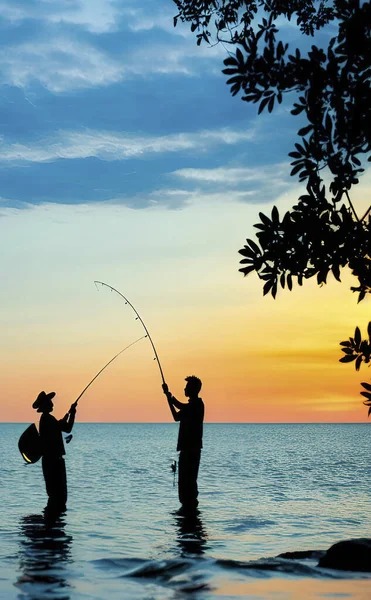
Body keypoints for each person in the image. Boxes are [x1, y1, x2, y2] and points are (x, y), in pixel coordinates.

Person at [162, 376, 204, 514]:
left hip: (192, 450)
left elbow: (181, 406)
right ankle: (187, 512)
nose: (185, 389)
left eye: (187, 387)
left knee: (189, 483)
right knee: (184, 483)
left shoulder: (197, 405)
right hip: (186, 450)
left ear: (193, 389)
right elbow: (176, 417)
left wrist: (170, 396)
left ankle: (190, 511)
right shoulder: (190, 406)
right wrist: (169, 399)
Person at [32, 391, 77, 516]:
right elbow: (67, 428)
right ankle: (53, 521)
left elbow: (64, 427)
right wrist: (72, 413)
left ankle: (52, 521)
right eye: (49, 401)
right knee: (58, 494)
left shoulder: (47, 419)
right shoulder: (48, 419)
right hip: (53, 461)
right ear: (46, 404)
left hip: (51, 461)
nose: (52, 403)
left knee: (55, 494)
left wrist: (69, 415)